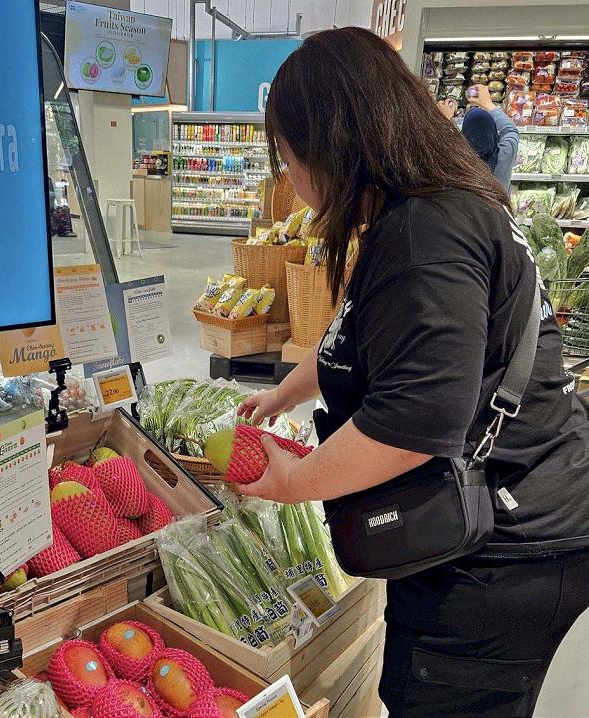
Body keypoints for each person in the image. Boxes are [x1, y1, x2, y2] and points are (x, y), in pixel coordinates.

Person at [238, 27, 589, 718]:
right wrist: (285, 391)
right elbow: (373, 342)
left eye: (288, 155)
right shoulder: (439, 207)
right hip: (496, 530)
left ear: (331, 143)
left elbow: (414, 422)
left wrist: (296, 483)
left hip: (500, 560)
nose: (290, 177)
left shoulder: (425, 231)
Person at [438, 85, 520, 191]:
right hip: (496, 207)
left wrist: (446, 118)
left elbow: (439, 142)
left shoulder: (455, 158)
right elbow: (510, 131)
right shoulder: (504, 155)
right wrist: (488, 104)